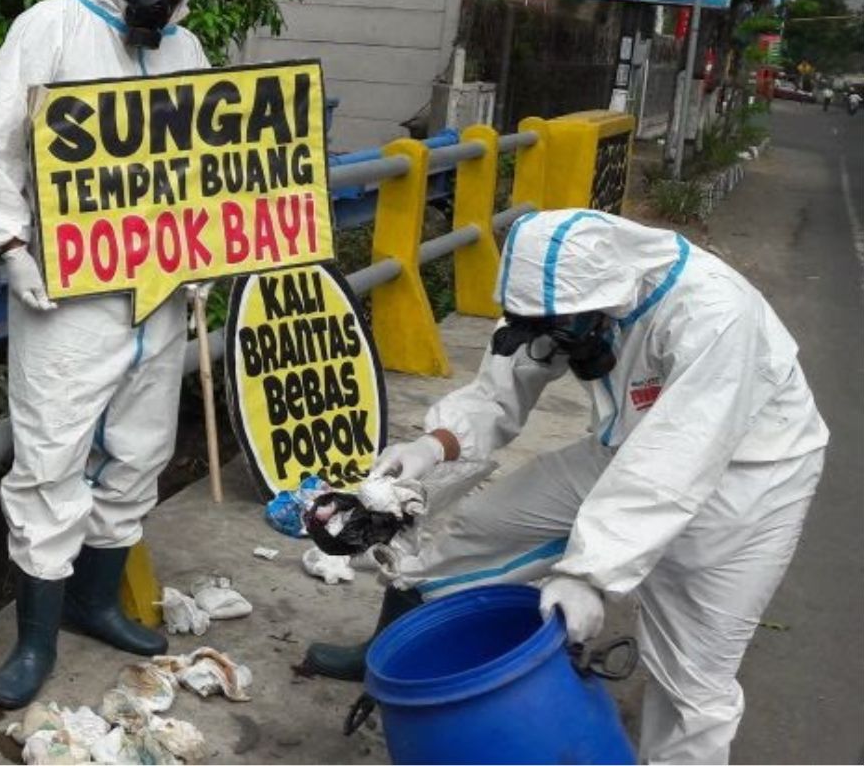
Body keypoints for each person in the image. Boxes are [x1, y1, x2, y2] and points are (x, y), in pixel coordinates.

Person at [305, 209, 827, 764]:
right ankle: (392, 647)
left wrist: (588, 574)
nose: (553, 343)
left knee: (691, 681)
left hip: (750, 480)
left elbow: (677, 459)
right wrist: (432, 446)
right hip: (628, 448)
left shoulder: (713, 314)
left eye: (562, 328)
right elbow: (498, 393)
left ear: (610, 296)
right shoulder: (564, 300)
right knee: (485, 527)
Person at [0, 0, 211, 710]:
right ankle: (35, 637)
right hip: (67, 294)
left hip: (161, 289)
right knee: (51, 455)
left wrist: (213, 245)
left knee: (142, 447)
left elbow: (209, 159)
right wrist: (11, 244)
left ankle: (95, 602)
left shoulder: (186, 49)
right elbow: (1, 143)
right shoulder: (49, 28)